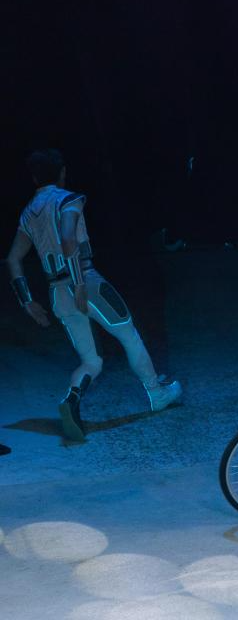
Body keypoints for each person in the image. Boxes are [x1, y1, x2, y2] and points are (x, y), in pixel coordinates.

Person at [6, 150, 181, 442]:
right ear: (62, 172)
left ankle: (71, 399)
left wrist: (27, 301)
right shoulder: (69, 200)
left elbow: (13, 259)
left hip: (56, 292)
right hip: (86, 282)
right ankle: (156, 392)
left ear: (35, 178)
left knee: (91, 361)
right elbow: (68, 239)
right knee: (129, 335)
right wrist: (78, 284)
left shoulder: (28, 213)